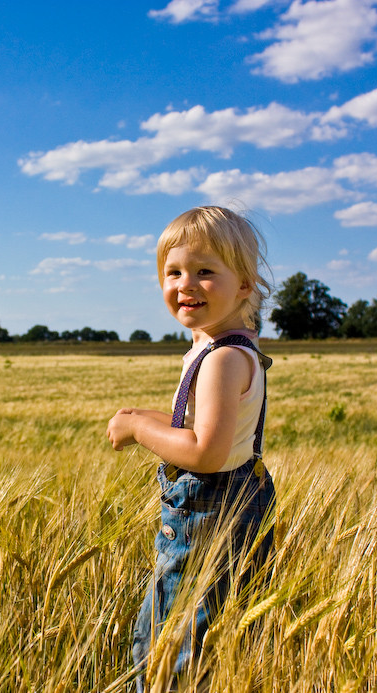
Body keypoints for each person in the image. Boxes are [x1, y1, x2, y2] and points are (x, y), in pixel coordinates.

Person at [106, 206, 276, 691]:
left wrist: (140, 433)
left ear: (243, 284)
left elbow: (204, 452)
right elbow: (195, 426)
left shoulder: (222, 360)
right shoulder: (223, 347)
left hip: (207, 509)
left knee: (172, 642)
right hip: (237, 498)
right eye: (174, 272)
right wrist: (139, 417)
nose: (186, 284)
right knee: (215, 627)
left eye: (205, 272)